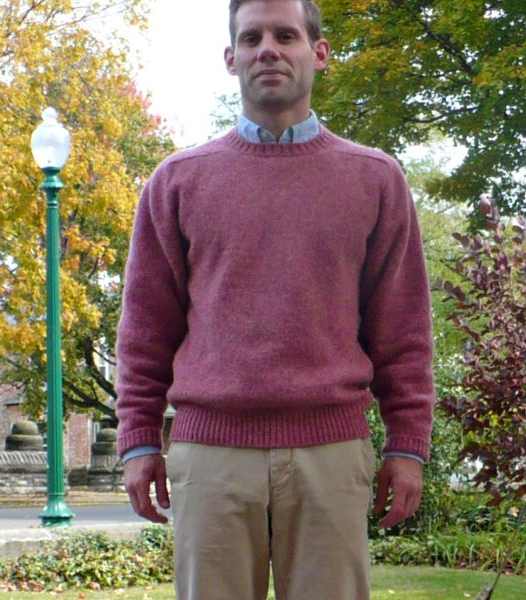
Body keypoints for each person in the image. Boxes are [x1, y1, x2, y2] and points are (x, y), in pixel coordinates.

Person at [115, 0, 435, 598]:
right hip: (210, 454)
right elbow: (145, 331)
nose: (268, 49)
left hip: (331, 452)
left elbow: (404, 330)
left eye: (286, 35)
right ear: (230, 57)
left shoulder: (375, 180)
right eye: (252, 37)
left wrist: (408, 444)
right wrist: (137, 439)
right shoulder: (178, 182)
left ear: (319, 53)